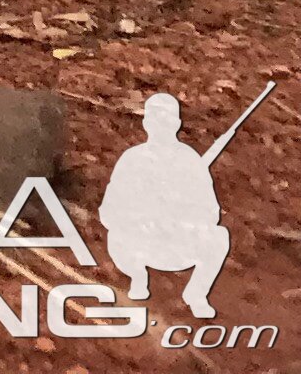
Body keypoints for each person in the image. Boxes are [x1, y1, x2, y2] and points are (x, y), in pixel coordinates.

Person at [99, 93, 231, 318]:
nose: (161, 125)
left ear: (177, 124)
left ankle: (196, 294)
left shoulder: (190, 160)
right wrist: (141, 218)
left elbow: (211, 212)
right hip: (138, 243)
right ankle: (138, 277)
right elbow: (109, 211)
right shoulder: (132, 159)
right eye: (155, 119)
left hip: (177, 244)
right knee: (118, 235)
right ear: (146, 123)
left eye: (167, 120)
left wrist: (180, 216)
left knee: (219, 237)